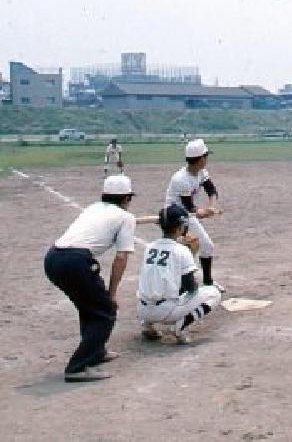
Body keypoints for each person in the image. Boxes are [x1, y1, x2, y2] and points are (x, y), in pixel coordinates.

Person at [43, 175, 136, 382]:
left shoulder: (94, 208)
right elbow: (120, 258)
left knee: (88, 307)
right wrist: (112, 294)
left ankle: (96, 352)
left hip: (53, 258)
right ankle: (77, 367)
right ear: (126, 198)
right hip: (75, 261)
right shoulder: (125, 217)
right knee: (105, 312)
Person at [138, 204, 221, 344]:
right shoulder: (181, 251)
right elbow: (191, 288)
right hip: (166, 312)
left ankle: (146, 325)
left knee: (153, 286)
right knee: (214, 293)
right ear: (180, 228)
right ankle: (181, 326)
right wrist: (191, 254)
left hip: (142, 309)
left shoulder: (149, 247)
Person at [165, 139, 224, 292]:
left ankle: (207, 282)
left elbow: (212, 190)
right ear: (200, 159)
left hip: (186, 215)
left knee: (205, 247)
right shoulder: (181, 179)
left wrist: (211, 206)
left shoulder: (201, 172)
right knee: (185, 251)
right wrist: (206, 212)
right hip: (174, 218)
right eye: (205, 156)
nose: (207, 159)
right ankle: (181, 287)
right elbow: (190, 208)